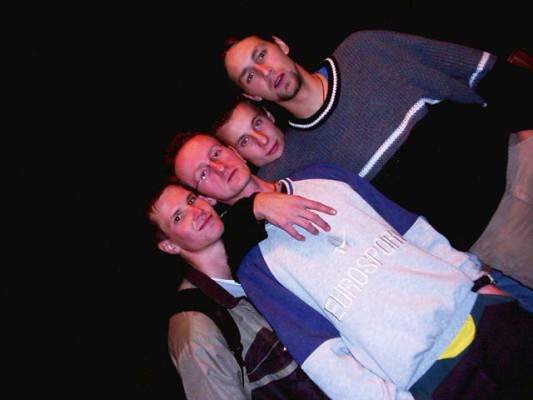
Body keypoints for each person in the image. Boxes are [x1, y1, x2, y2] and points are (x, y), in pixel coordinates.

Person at [168, 132, 533, 399]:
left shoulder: (323, 175)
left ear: (234, 150)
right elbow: (322, 355)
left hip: (484, 315)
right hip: (433, 379)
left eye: (216, 153)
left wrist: (482, 285)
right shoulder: (252, 267)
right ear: (204, 197)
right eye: (202, 174)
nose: (218, 167)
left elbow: (414, 232)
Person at [148, 183, 327, 399]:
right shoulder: (195, 326)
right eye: (178, 217)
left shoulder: (261, 258)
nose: (196, 212)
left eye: (192, 200)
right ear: (170, 246)